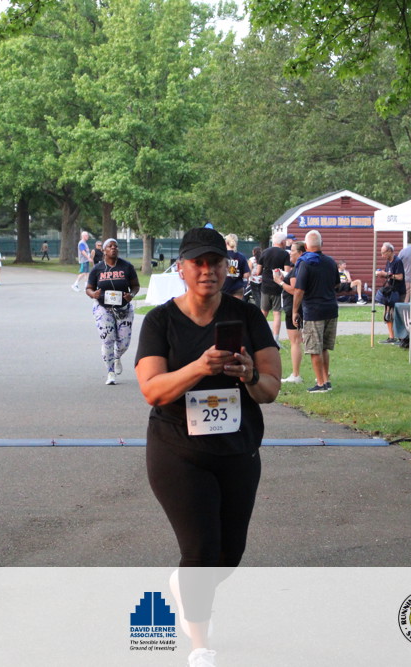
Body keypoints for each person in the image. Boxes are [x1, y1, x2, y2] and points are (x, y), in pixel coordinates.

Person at [134, 227, 280, 667]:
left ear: (226, 266)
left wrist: (250, 374)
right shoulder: (160, 321)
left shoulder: (247, 316)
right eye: (197, 263)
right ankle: (200, 643)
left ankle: (185, 588)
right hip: (178, 451)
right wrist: (199, 367)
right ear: (181, 268)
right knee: (199, 551)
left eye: (214, 262)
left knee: (228, 555)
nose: (206, 271)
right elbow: (152, 390)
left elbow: (271, 390)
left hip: (237, 450)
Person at [86, 238, 141, 386]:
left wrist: (131, 295)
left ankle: (116, 357)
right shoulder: (97, 269)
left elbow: (135, 286)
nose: (113, 248)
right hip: (103, 308)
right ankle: (110, 372)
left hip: (123, 308)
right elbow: (89, 288)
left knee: (124, 343)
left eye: (115, 246)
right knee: (108, 340)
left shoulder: (127, 267)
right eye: (110, 246)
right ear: (103, 250)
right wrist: (93, 294)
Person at [291, 230, 339, 393]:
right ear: (321, 244)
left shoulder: (306, 263)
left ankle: (320, 384)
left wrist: (295, 311)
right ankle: (326, 381)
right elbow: (337, 284)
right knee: (324, 347)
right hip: (331, 309)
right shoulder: (331, 262)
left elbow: (299, 290)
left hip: (314, 311)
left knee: (314, 349)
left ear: (305, 246)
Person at [274, 240, 306, 383]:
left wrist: (280, 282)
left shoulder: (297, 269)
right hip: (298, 307)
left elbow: (295, 290)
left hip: (294, 308)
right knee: (304, 340)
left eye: (292, 250)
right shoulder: (302, 267)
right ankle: (323, 373)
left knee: (295, 341)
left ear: (300, 253)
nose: (290, 253)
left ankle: (296, 374)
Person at [258, 231, 291, 342]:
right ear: (282, 242)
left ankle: (257, 335)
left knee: (263, 312)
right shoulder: (285, 254)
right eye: (285, 241)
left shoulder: (265, 252)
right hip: (278, 287)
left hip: (265, 286)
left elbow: (258, 271)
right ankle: (275, 339)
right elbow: (287, 272)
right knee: (277, 313)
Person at [376, 242, 405, 344]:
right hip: (390, 292)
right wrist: (382, 275)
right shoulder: (388, 262)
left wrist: (386, 274)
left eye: (383, 253)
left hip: (398, 292)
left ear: (389, 251)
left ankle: (402, 338)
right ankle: (391, 337)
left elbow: (400, 277)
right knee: (387, 314)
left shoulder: (398, 261)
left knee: (397, 315)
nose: (382, 255)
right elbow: (388, 275)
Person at [222, 233, 249, 300]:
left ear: (226, 243)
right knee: (236, 306)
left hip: (223, 286)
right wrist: (244, 284)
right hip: (237, 287)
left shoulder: (221, 255)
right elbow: (246, 274)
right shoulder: (241, 257)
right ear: (237, 243)